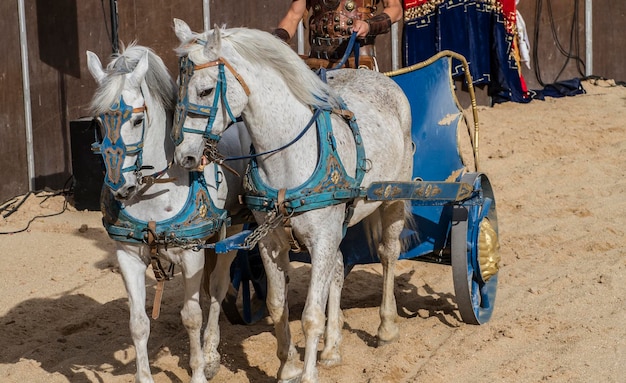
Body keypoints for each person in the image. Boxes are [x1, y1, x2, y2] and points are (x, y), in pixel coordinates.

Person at [273, 0, 403, 70]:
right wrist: (274, 40)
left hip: (357, 63)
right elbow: (293, 16)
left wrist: (369, 25)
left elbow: (395, 9)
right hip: (317, 64)